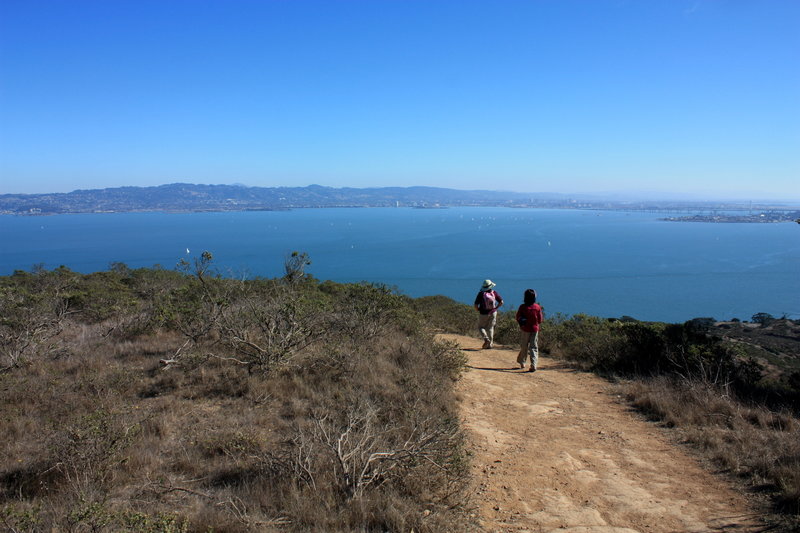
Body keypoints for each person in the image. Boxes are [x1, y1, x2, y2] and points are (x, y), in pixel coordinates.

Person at [516, 288, 544, 372]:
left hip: (525, 329)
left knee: (524, 346)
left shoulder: (522, 307)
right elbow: (540, 320)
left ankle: (522, 362)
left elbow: (518, 317)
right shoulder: (537, 307)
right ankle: (534, 364)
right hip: (534, 329)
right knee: (534, 347)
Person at [474, 279, 503, 349]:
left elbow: (475, 305)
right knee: (491, 327)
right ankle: (490, 344)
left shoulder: (481, 293)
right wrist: (496, 308)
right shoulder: (494, 292)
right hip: (493, 312)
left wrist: (478, 310)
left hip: (483, 313)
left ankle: (486, 339)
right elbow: (501, 302)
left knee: (481, 327)